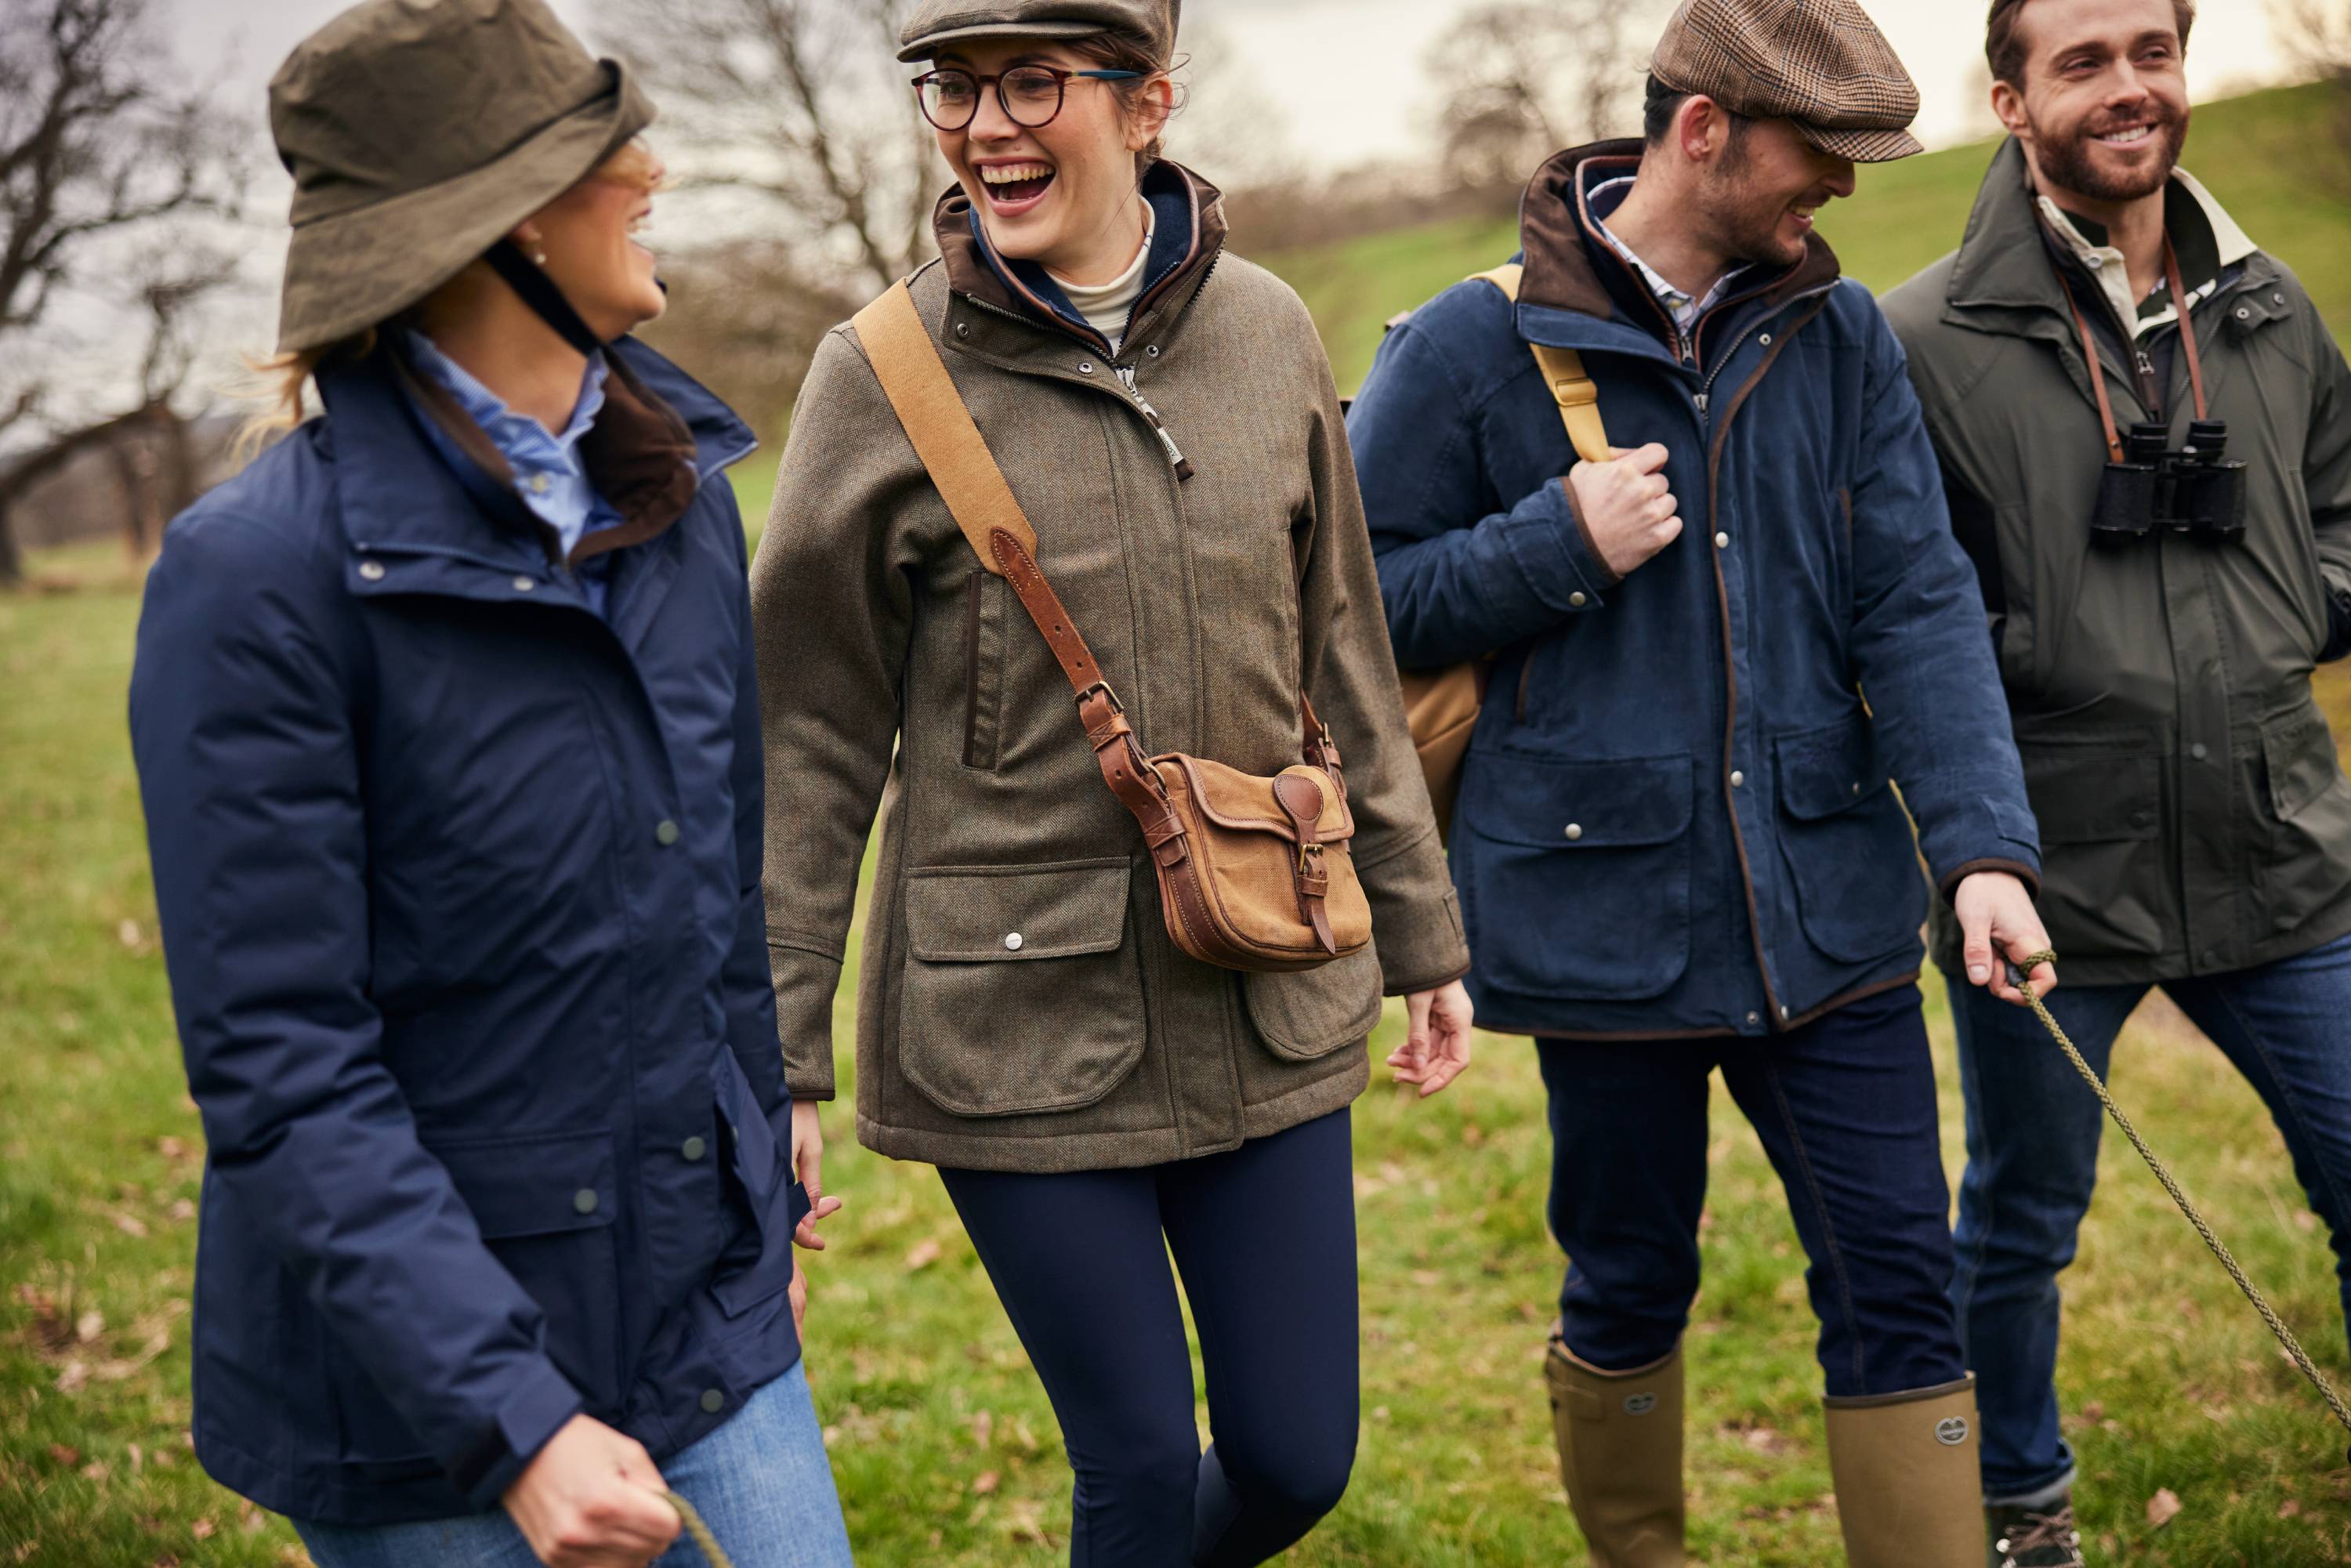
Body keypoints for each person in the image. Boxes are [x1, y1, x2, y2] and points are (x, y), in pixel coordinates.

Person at [126, 3, 854, 1564]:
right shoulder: (255, 578)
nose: (649, 169)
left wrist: (749, 1196)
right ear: (506, 221)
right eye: (611, 151)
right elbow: (283, 1063)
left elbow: (721, 891)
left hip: (702, 1317)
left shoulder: (678, 505)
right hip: (422, 1400)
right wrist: (513, 1419)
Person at [751, 2, 1475, 1562]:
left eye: (1031, 83)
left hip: (1264, 988)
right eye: (956, 86)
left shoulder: (1272, 329)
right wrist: (780, 1048)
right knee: (1138, 1467)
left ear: (1147, 105)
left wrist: (1420, 932)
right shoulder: (877, 372)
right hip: (1010, 1022)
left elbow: (1342, 645)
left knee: (1295, 1456)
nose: (985, 124)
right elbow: (804, 734)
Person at [1348, 0, 2061, 1562]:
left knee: (1899, 1271)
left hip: (1834, 913)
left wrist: (1980, 852)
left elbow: (1919, 600)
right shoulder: (1470, 343)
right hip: (1602, 923)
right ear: (1704, 129)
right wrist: (1554, 545)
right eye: (1821, 155)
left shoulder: (1839, 329)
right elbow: (1354, 603)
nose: (1844, 194)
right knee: (1627, 1277)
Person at [1881, 0, 2351, 1561]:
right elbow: (1897, 599)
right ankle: (2021, 1501)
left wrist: (2297, 608)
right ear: (2011, 99)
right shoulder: (1921, 337)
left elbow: (2344, 502)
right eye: (2083, 60)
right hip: (2050, 863)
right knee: (2020, 1218)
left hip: (2283, 839)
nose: (2128, 85)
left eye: (2150, 48)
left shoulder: (2270, 303)